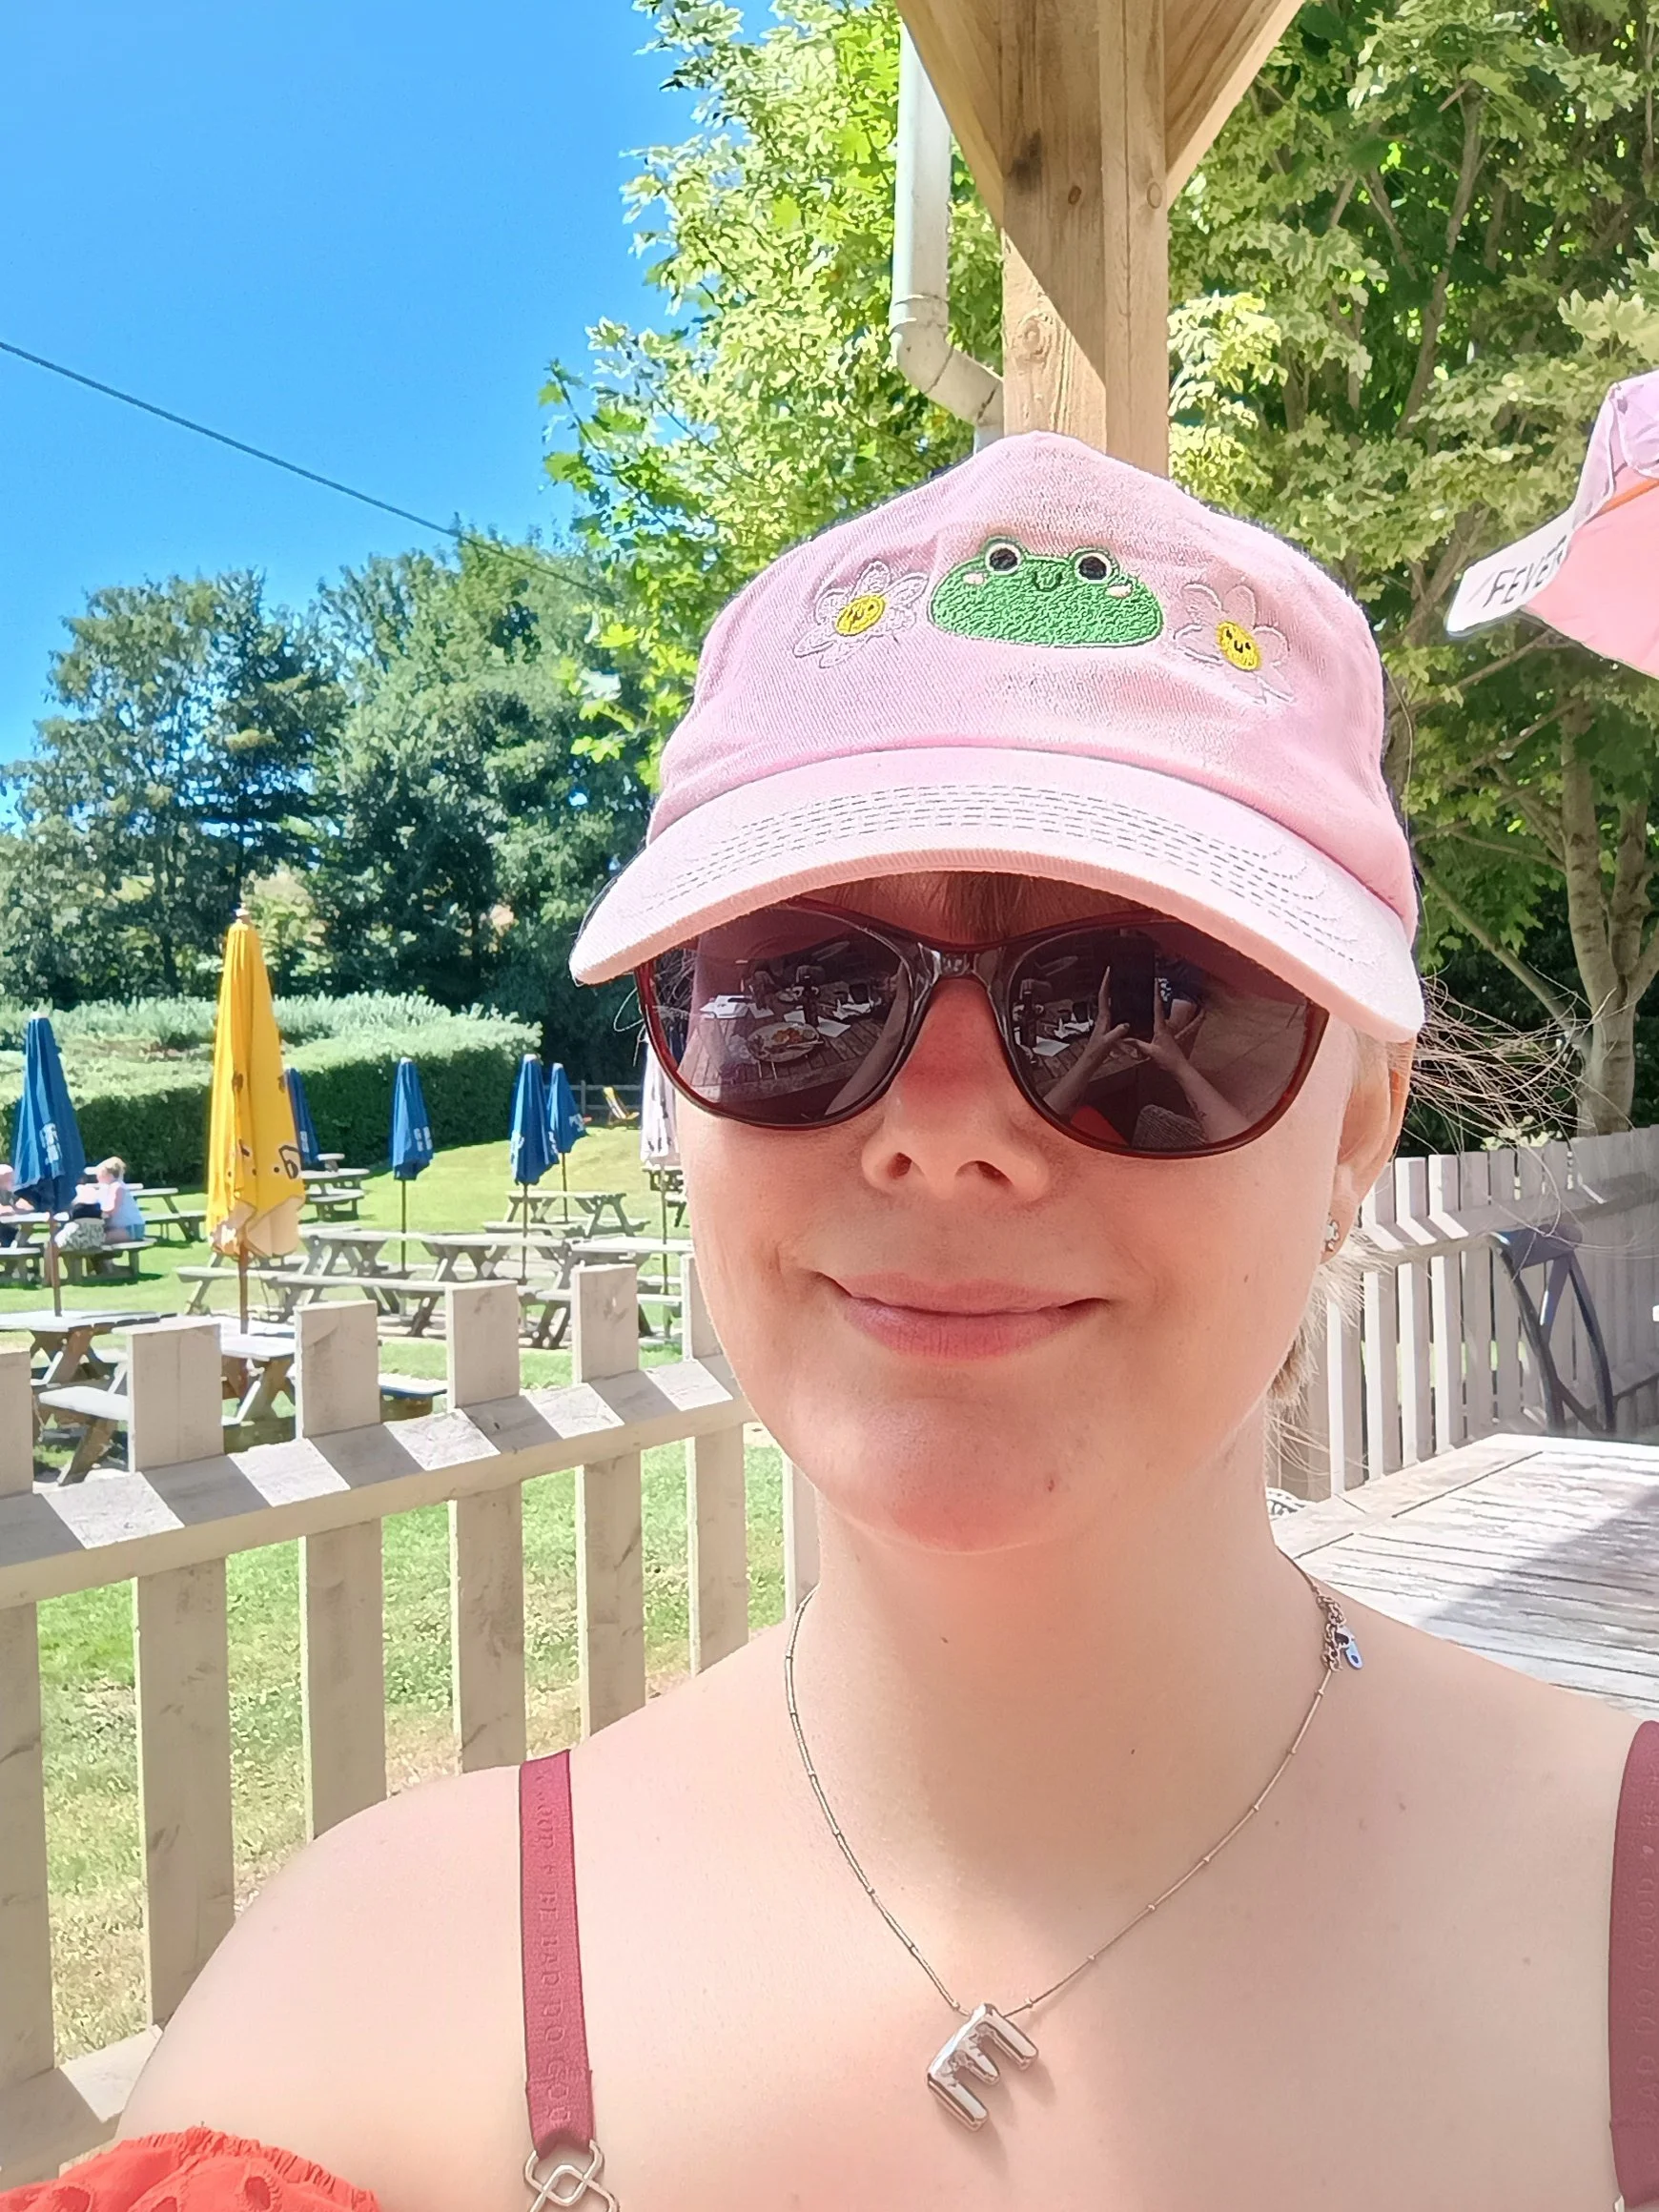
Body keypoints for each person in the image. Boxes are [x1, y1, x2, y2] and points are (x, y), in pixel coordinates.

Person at [12, 435, 1653, 2212]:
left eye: (1144, 1003)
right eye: (796, 991)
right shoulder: (350, 2035)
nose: (940, 1131)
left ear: (1359, 1121)